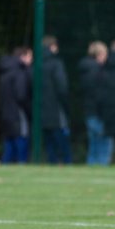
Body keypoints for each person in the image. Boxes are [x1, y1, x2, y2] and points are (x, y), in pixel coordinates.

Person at [39, 35, 73, 164]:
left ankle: (51, 164)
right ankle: (66, 163)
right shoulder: (56, 64)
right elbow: (62, 87)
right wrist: (66, 105)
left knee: (49, 144)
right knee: (62, 142)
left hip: (40, 110)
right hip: (56, 111)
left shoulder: (36, 63)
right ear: (53, 46)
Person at [79, 41, 113, 165]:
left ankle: (91, 168)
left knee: (93, 145)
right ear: (99, 55)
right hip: (99, 113)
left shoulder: (84, 70)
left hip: (89, 112)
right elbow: (101, 95)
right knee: (104, 144)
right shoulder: (99, 72)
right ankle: (102, 167)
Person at [0, 46, 32, 163]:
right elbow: (21, 95)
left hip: (5, 113)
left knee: (8, 144)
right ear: (22, 57)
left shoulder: (5, 72)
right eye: (29, 56)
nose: (31, 60)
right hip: (18, 114)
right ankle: (22, 165)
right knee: (21, 142)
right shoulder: (20, 72)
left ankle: (5, 167)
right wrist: (29, 109)